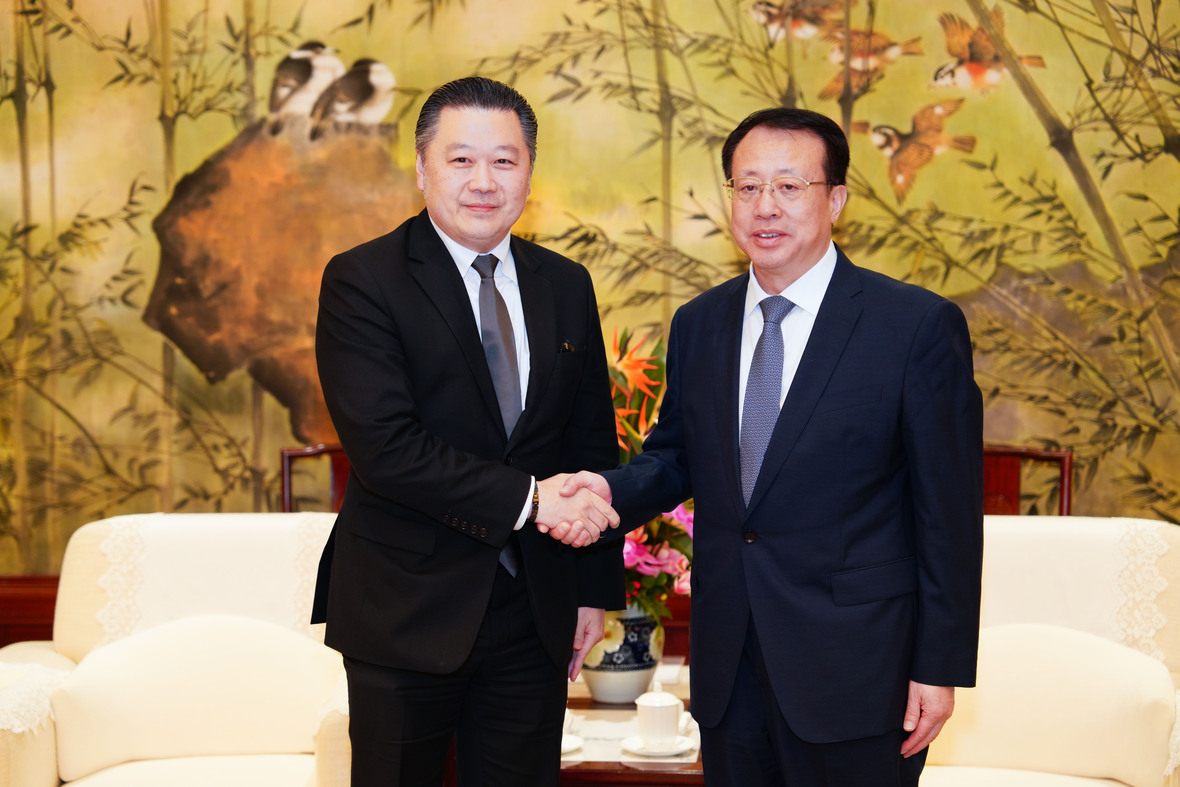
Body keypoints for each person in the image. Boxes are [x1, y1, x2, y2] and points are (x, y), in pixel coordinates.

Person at [559, 107, 984, 786]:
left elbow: (949, 516)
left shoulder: (914, 326)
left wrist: (939, 666)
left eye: (789, 186)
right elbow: (676, 456)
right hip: (731, 667)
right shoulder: (700, 323)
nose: (766, 206)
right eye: (748, 186)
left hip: (860, 668)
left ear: (835, 199)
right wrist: (607, 490)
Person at [311, 76, 623, 787]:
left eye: (504, 161)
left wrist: (593, 589)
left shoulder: (565, 283)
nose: (484, 181)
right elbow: (387, 450)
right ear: (423, 169)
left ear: (529, 175)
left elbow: (589, 444)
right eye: (461, 160)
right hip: (405, 607)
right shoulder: (364, 280)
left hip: (535, 609)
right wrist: (534, 501)